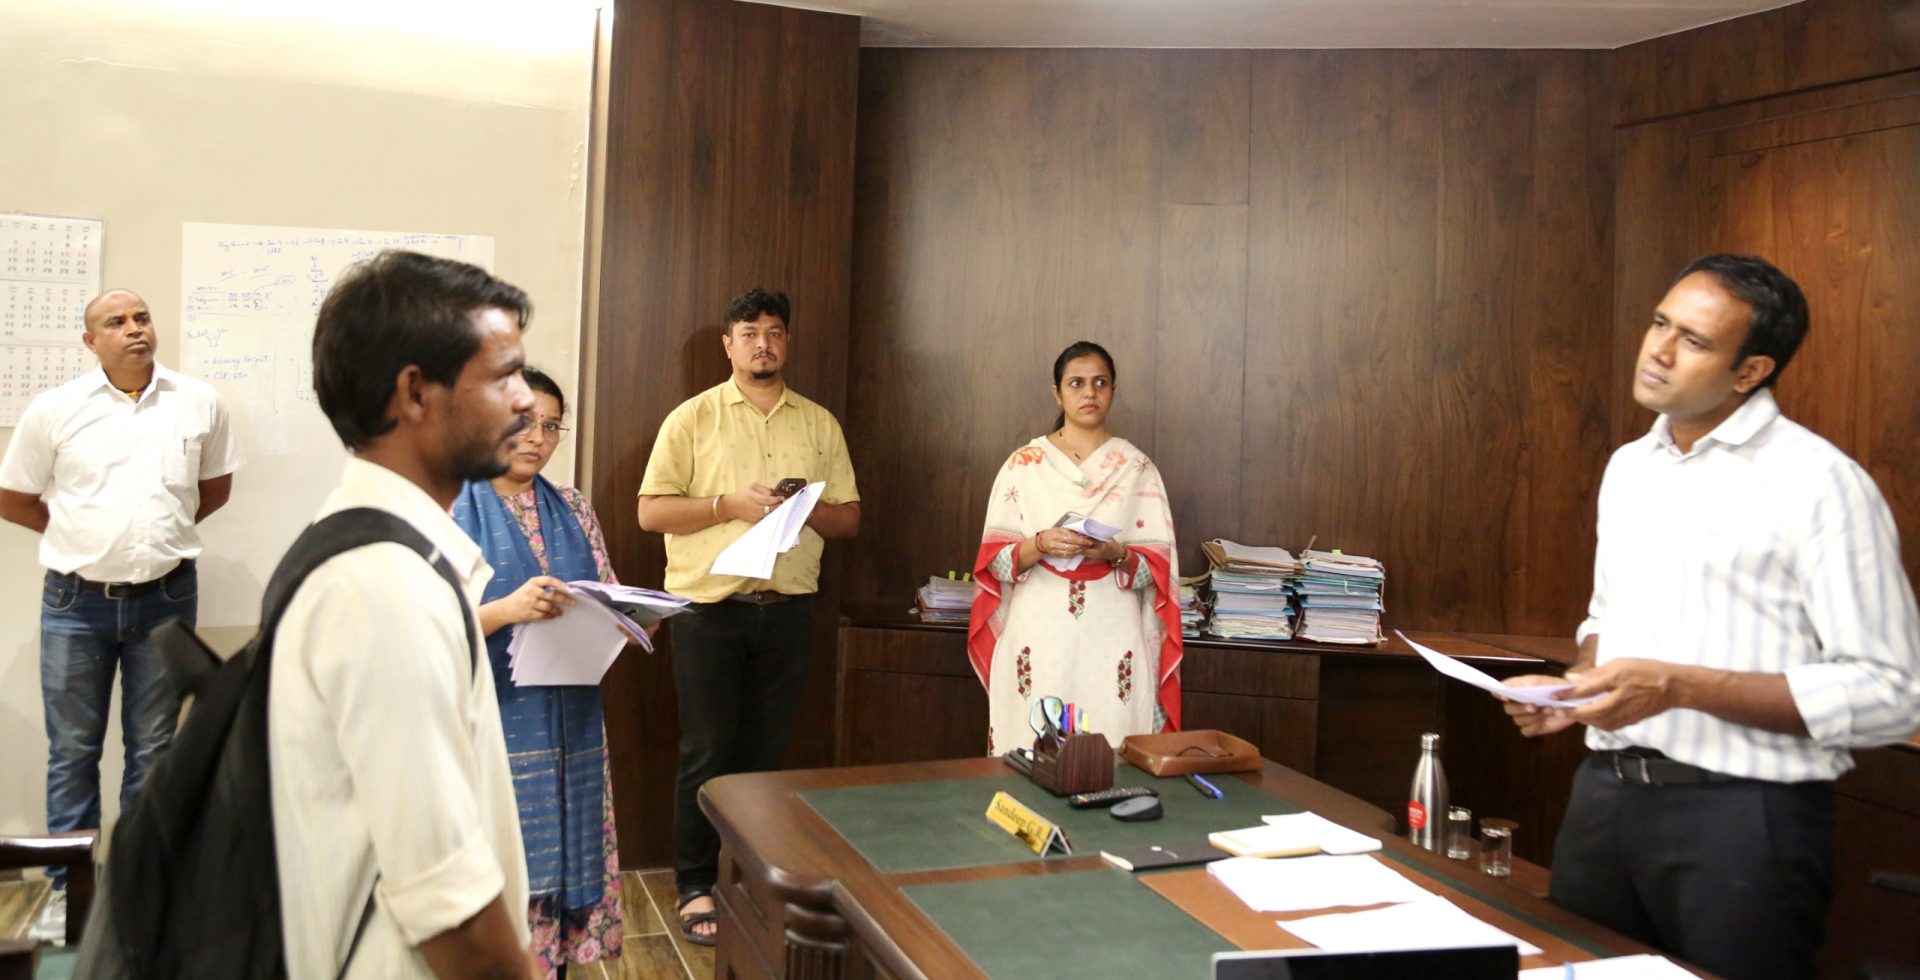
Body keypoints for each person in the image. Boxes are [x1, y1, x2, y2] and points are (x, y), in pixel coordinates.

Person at [1502, 254, 1920, 980]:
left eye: (1693, 340)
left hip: (1743, 819)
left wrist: (1679, 687)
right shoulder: (1631, 466)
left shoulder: (1821, 484)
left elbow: (1891, 693)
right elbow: (1608, 618)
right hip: (1605, 797)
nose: (1658, 351)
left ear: (1750, 371)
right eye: (1660, 323)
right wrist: (1576, 686)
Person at [272, 250, 540, 978]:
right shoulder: (383, 589)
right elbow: (449, 910)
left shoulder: (375, 551)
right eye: (505, 375)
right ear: (415, 393)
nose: (526, 401)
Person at [0, 288, 240, 939]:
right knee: (73, 752)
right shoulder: (56, 409)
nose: (134, 329)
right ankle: (67, 898)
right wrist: (81, 536)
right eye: (116, 322)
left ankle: (142, 895)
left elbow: (215, 489)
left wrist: (153, 536)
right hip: (74, 604)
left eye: (141, 317)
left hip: (166, 598)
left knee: (155, 751)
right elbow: (14, 497)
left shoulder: (199, 402)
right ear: (91, 341)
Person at [635, 286, 860, 946]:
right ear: (727, 345)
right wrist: (726, 505)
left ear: (787, 342)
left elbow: (849, 519)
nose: (764, 343)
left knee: (766, 757)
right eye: (750, 333)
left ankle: (750, 879)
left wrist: (804, 508)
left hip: (787, 610)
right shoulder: (692, 419)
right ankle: (695, 884)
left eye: (775, 332)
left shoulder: (819, 424)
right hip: (708, 610)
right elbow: (650, 511)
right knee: (707, 751)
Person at [452, 367, 624, 979]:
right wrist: (505, 610)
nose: (537, 438)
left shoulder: (572, 507)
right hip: (486, 728)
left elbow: (606, 594)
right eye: (524, 422)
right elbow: (421, 628)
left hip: (572, 725)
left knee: (564, 867)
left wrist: (635, 620)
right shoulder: (447, 508)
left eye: (551, 427)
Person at [967, 340, 1182, 755]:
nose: (1089, 393)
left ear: (1114, 390)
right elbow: (995, 565)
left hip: (1112, 630)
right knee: (1033, 745)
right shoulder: (1024, 465)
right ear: (1057, 392)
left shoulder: (1137, 468)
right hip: (1038, 628)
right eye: (1077, 383)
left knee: (1111, 743)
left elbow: (1157, 574)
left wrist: (1116, 554)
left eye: (1100, 383)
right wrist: (1039, 543)